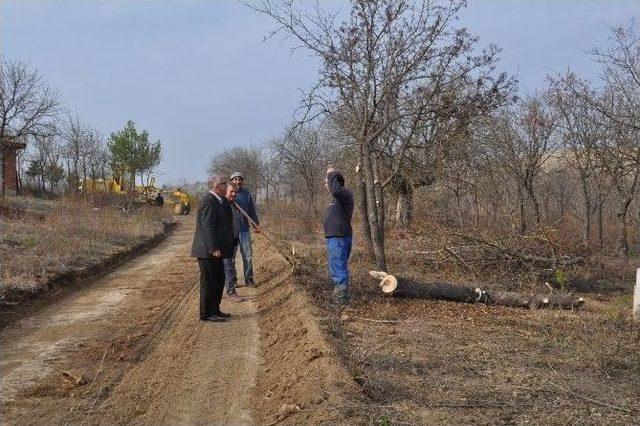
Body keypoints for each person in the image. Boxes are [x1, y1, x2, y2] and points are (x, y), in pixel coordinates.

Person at [190, 175, 235, 322]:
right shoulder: (208, 201)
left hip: (215, 251)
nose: (226, 185)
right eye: (224, 184)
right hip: (208, 251)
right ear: (216, 186)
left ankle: (215, 309)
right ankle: (206, 314)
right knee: (209, 282)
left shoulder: (219, 201)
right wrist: (213, 247)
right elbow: (207, 227)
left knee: (219, 279)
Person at [323, 165, 354, 306]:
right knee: (337, 267)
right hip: (335, 237)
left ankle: (340, 303)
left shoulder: (343, 193)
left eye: (327, 180)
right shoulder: (336, 199)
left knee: (339, 270)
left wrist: (332, 173)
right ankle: (341, 299)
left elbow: (334, 190)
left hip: (339, 238)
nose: (326, 183)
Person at [229, 172, 260, 287]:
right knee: (230, 257)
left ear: (242, 181)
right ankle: (233, 281)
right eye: (235, 179)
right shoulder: (227, 195)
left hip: (244, 230)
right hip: (230, 231)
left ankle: (249, 279)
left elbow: (252, 211)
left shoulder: (246, 195)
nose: (237, 182)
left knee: (247, 256)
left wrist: (256, 225)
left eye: (239, 179)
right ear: (231, 181)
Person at [223, 182, 244, 301]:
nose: (234, 194)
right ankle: (231, 291)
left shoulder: (234, 204)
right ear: (225, 192)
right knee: (228, 265)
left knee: (230, 263)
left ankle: (231, 284)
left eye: (235, 192)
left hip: (234, 238)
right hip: (226, 241)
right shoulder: (222, 205)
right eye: (231, 192)